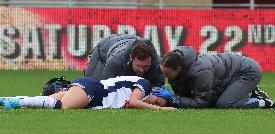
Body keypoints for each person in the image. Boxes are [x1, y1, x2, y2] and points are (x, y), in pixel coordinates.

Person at [152, 46, 275, 109]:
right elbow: (187, 97)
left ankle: (262, 101)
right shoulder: (176, 66)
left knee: (224, 104)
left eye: (167, 74)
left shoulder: (199, 72)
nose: (165, 77)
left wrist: (173, 98)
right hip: (231, 74)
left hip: (247, 71)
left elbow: (202, 102)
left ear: (178, 69)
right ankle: (251, 92)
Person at [0, 76, 175, 110]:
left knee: (46, 100)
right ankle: (18, 103)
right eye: (157, 101)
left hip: (93, 91)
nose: (153, 104)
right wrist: (163, 109)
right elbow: (136, 101)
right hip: (95, 90)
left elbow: (134, 102)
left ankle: (7, 100)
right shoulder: (144, 84)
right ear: (157, 91)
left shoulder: (137, 95)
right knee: (65, 106)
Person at [85, 34, 164, 86]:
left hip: (129, 40)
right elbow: (108, 89)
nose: (142, 70)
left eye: (146, 66)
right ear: (131, 59)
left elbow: (159, 89)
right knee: (93, 87)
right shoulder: (114, 62)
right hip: (103, 49)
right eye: (139, 66)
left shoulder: (157, 64)